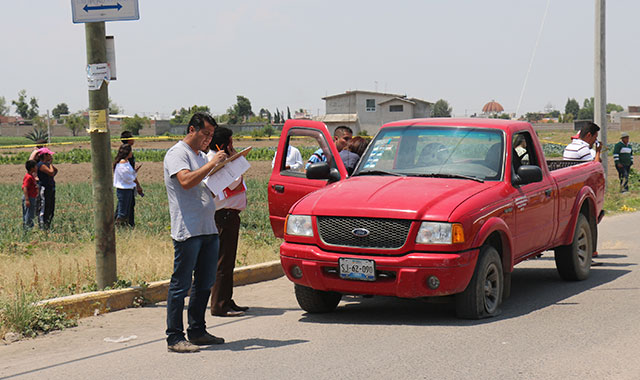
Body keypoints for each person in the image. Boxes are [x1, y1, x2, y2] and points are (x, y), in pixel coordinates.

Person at [163, 112, 228, 353]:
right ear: (192, 129)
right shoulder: (177, 154)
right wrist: (213, 164)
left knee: (204, 283)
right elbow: (186, 181)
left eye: (211, 135)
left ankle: (197, 330)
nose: (208, 140)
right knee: (181, 285)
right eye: (205, 134)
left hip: (207, 227)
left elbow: (203, 187)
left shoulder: (200, 157)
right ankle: (174, 337)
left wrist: (221, 173)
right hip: (188, 229)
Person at [206, 126, 249, 317]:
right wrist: (236, 161)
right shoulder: (216, 161)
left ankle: (227, 299)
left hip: (228, 216)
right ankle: (219, 305)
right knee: (223, 262)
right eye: (231, 141)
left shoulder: (219, 160)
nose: (233, 145)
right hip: (224, 216)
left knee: (227, 261)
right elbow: (235, 183)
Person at [121, 131, 144, 226]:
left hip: (127, 182)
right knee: (128, 205)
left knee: (125, 204)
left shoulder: (124, 152)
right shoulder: (128, 154)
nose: (133, 139)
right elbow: (129, 173)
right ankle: (128, 224)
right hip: (128, 183)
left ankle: (123, 224)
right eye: (132, 137)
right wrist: (138, 185)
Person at [113, 144, 137, 227]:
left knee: (126, 210)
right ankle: (118, 227)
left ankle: (122, 226)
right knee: (122, 212)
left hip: (128, 188)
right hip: (123, 189)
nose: (131, 153)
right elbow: (126, 177)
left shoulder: (126, 162)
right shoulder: (122, 163)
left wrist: (134, 172)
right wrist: (133, 175)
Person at [36, 147, 57, 230]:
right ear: (44, 155)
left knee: (50, 208)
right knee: (44, 207)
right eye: (49, 155)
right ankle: (42, 227)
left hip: (50, 187)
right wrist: (50, 164)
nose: (51, 156)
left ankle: (48, 225)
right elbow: (51, 172)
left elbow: (55, 171)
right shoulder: (41, 165)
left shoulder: (46, 165)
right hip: (44, 189)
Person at [22, 160, 38, 229]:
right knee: (29, 214)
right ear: (32, 168)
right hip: (29, 197)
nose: (37, 167)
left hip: (31, 197)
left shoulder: (31, 176)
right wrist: (27, 199)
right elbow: (25, 187)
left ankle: (28, 227)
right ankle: (28, 228)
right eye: (35, 166)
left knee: (30, 213)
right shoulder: (28, 177)